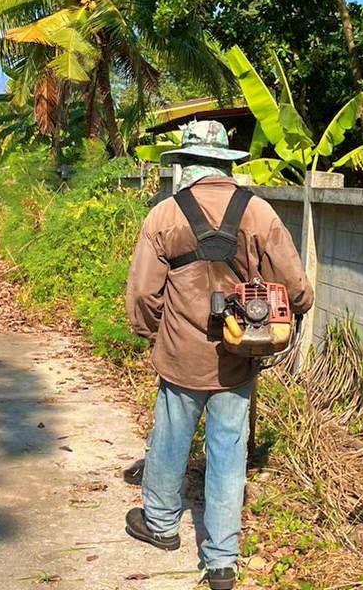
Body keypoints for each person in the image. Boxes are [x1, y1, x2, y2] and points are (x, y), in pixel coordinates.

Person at [124, 120, 313, 590]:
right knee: (228, 450)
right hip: (238, 353)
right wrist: (290, 318)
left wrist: (151, 335)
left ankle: (163, 526)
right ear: (226, 164)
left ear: (186, 165)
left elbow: (144, 294)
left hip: (179, 353)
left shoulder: (163, 216)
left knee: (170, 438)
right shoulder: (260, 214)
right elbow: (296, 288)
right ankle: (222, 560)